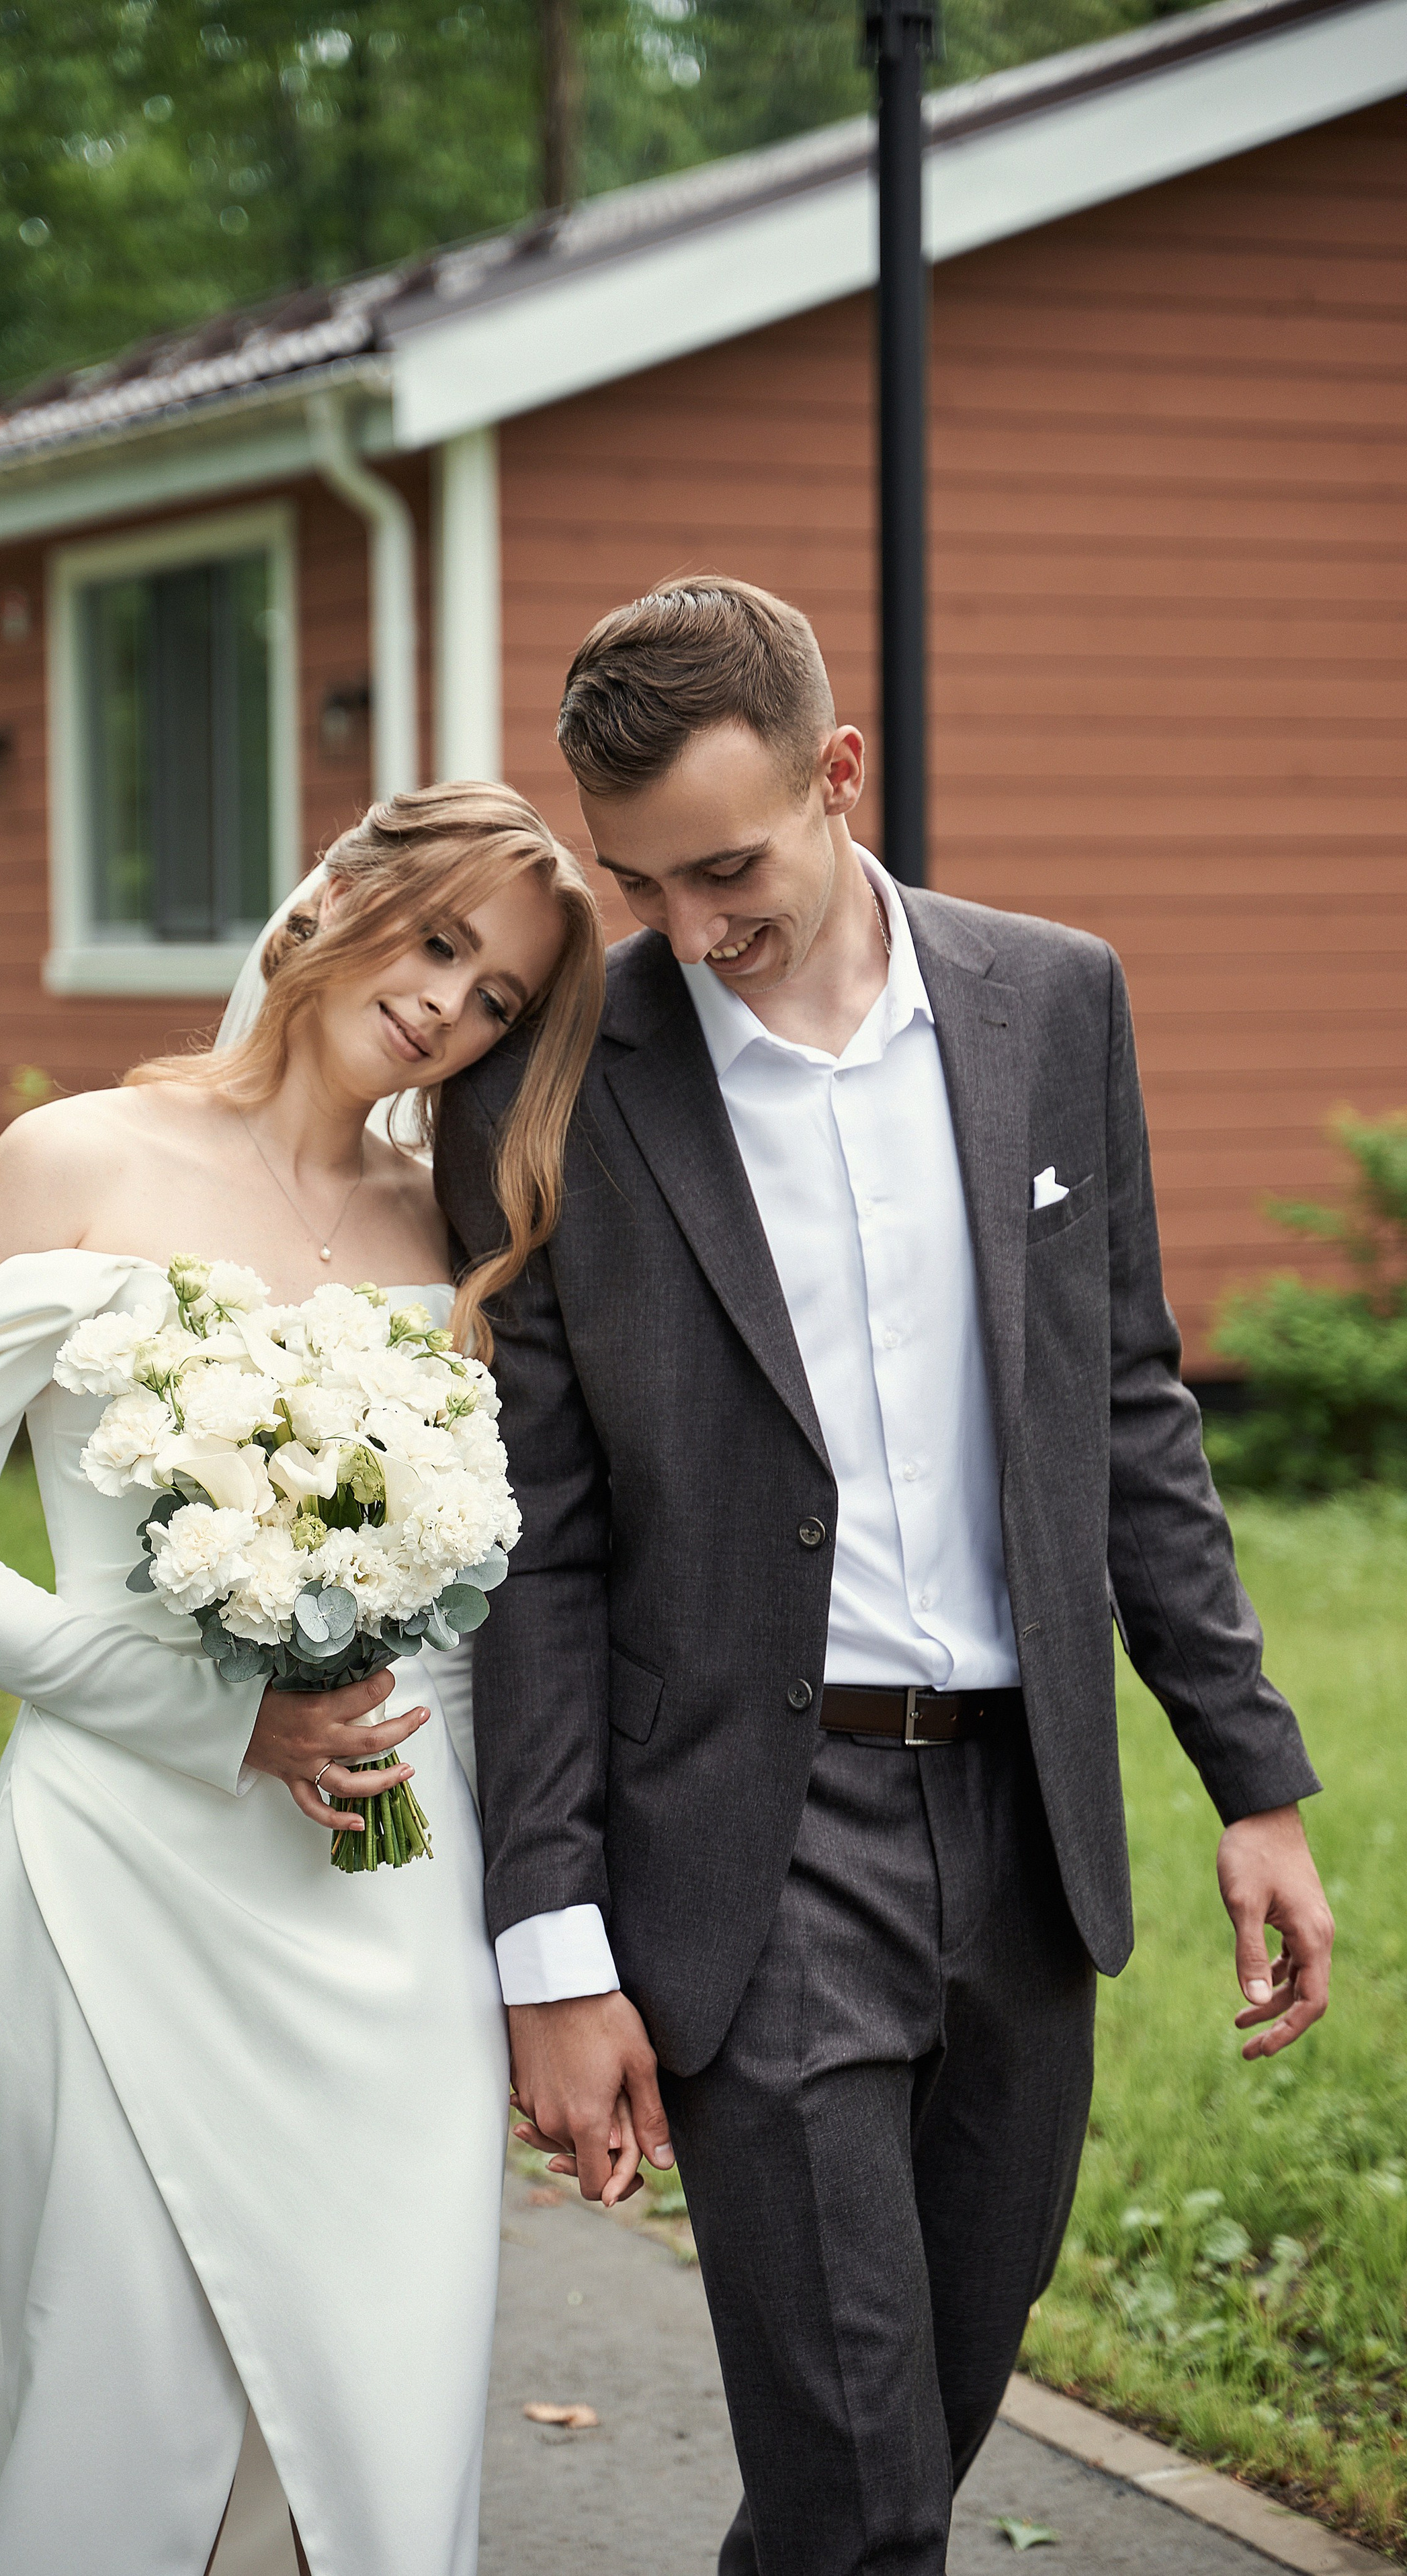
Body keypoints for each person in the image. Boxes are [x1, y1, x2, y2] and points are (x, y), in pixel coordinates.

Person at [433, 578, 1336, 2576]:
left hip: (1026, 1833)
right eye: (638, 882)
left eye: (729, 867)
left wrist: (1250, 1776)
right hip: (757, 1850)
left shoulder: (1052, 1002)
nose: (688, 929)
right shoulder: (558, 1082)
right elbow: (544, 1554)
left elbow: (1126, 1404)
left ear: (841, 772)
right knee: (868, 2495)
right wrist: (551, 1946)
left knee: (908, 2427)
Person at [0, 783, 605, 2576]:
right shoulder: (71, 1160)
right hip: (131, 1866)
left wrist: (531, 1931)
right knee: (120, 2370)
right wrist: (221, 1714)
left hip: (393, 1900)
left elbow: (498, 1612)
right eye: (438, 942)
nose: (450, 1005)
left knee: (372, 2383)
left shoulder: (459, 1228)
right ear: (336, 892)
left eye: (497, 996)